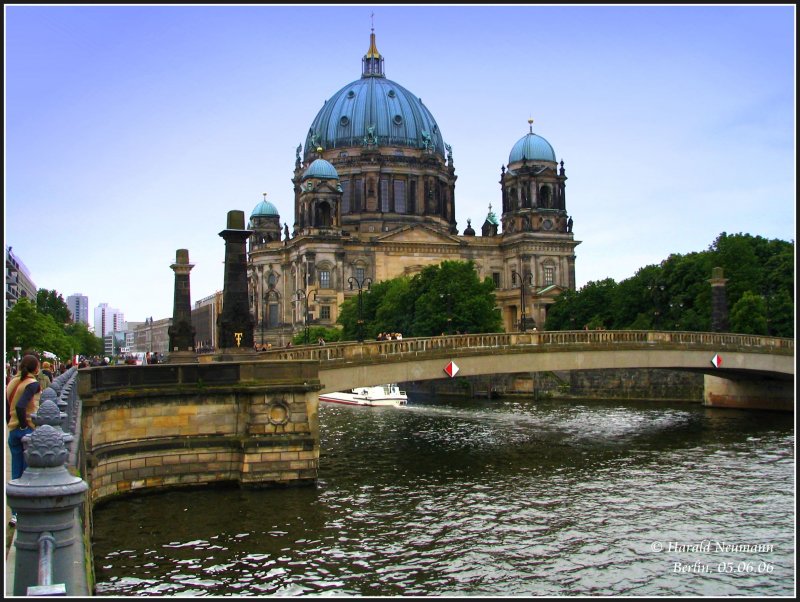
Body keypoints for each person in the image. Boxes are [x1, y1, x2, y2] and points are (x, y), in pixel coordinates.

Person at [6, 354, 42, 526]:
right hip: (25, 429)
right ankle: (26, 511)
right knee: (28, 473)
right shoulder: (32, 383)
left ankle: (15, 513)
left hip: (12, 431)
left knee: (16, 472)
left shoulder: (12, 382)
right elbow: (21, 406)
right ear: (36, 368)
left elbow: (9, 407)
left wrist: (12, 425)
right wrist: (23, 426)